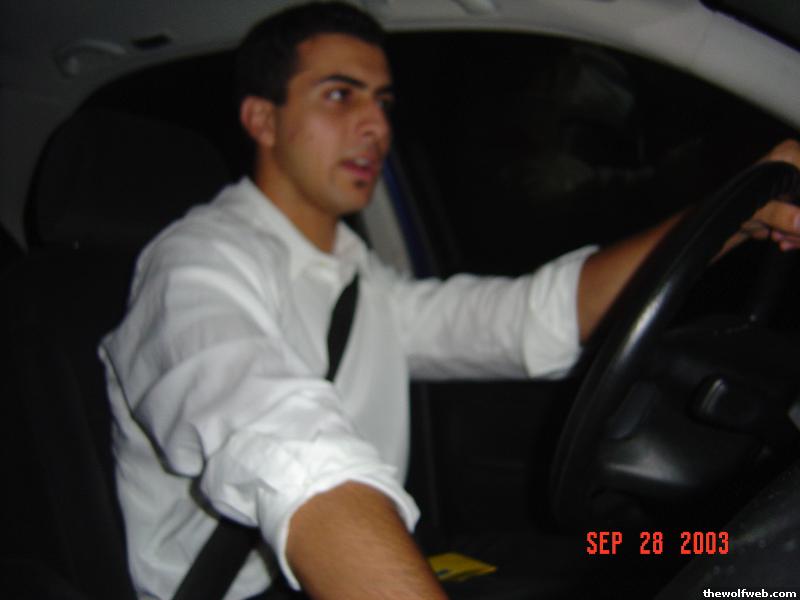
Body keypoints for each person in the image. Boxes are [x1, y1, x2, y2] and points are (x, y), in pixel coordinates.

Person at [99, 2, 800, 599]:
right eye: (341, 96)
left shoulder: (356, 276)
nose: (376, 126)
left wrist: (727, 220)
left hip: (353, 563)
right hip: (254, 590)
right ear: (262, 119)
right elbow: (281, 447)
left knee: (683, 556)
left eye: (383, 102)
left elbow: (524, 318)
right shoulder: (196, 263)